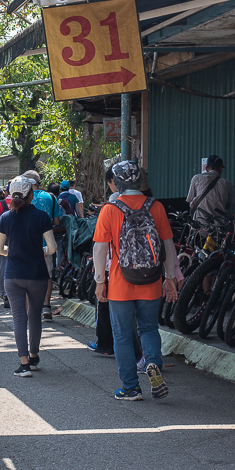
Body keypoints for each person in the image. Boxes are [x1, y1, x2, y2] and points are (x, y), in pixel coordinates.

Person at [92, 161, 178, 401]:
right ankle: (151, 363)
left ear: (117, 182)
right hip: (151, 280)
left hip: (120, 284)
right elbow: (168, 246)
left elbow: (100, 249)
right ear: (139, 180)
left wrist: (100, 281)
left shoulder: (110, 210)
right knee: (149, 328)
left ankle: (130, 387)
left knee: (121, 336)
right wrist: (169, 278)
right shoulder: (156, 207)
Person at [0, 176, 56, 377]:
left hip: (13, 275)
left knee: (18, 318)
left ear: (10, 195)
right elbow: (53, 248)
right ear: (31, 194)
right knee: (35, 316)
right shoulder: (41, 216)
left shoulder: (5, 217)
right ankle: (33, 355)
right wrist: (42, 251)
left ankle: (23, 364)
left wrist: (11, 252)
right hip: (37, 274)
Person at [21, 170, 61, 320]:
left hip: (25, 245)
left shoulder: (22, 198)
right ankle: (46, 306)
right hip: (46, 244)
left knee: (25, 277)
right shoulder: (50, 197)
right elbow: (57, 222)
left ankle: (28, 309)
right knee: (47, 275)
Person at [187, 154, 233, 230]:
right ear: (221, 168)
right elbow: (229, 205)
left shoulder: (196, 178)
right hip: (219, 227)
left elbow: (190, 201)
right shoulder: (228, 183)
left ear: (206, 168)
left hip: (200, 225)